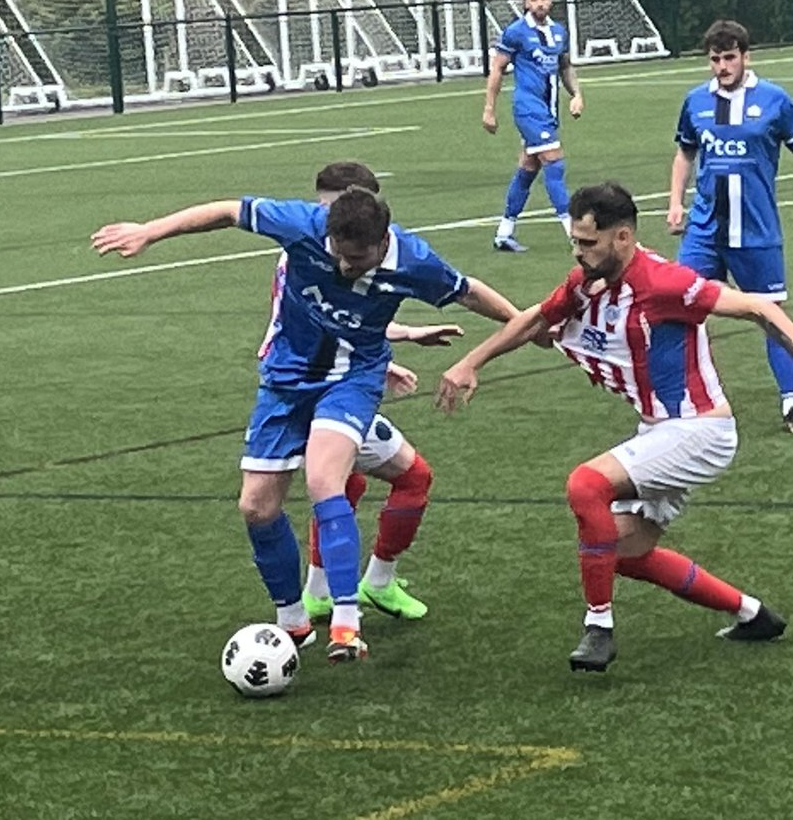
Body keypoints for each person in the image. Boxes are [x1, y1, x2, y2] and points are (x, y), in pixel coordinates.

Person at [436, 181, 793, 673]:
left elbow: (759, 307)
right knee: (620, 550)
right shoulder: (584, 281)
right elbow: (534, 319)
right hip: (660, 431)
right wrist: (472, 362)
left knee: (584, 484)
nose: (578, 251)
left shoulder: (664, 283)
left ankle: (599, 627)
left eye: (588, 242)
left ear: (624, 237)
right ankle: (752, 614)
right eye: (575, 240)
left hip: (700, 430)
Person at [93, 184, 519, 664]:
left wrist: (524, 322)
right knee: (256, 507)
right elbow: (227, 210)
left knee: (323, 477)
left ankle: (345, 622)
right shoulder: (304, 226)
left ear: (383, 242)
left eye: (357, 259)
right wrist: (150, 231)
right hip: (284, 380)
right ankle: (292, 621)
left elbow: (467, 291)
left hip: (351, 379)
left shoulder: (414, 261)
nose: (344, 267)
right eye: (338, 254)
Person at [295, 160, 462, 623]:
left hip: (328, 378)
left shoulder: (315, 248)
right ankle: (375, 584)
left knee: (346, 479)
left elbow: (346, 321)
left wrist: (393, 346)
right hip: (324, 388)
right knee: (413, 477)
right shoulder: (313, 253)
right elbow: (321, 324)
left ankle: (318, 592)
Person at [667, 19, 793, 435]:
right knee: (676, 307)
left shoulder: (773, 99)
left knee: (771, 316)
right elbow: (685, 154)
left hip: (756, 231)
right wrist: (675, 203)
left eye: (729, 58)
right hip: (704, 231)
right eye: (714, 59)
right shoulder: (695, 102)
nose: (721, 66)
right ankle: (678, 401)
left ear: (745, 56)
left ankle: (791, 404)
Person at [483, 0, 584, 252]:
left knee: (528, 169)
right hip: (528, 109)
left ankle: (504, 234)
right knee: (555, 163)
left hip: (549, 109)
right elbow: (497, 70)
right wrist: (489, 108)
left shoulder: (559, 32)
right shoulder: (516, 32)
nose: (540, 3)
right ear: (526, 3)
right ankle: (573, 233)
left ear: (550, 1)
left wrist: (576, 94)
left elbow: (565, 67)